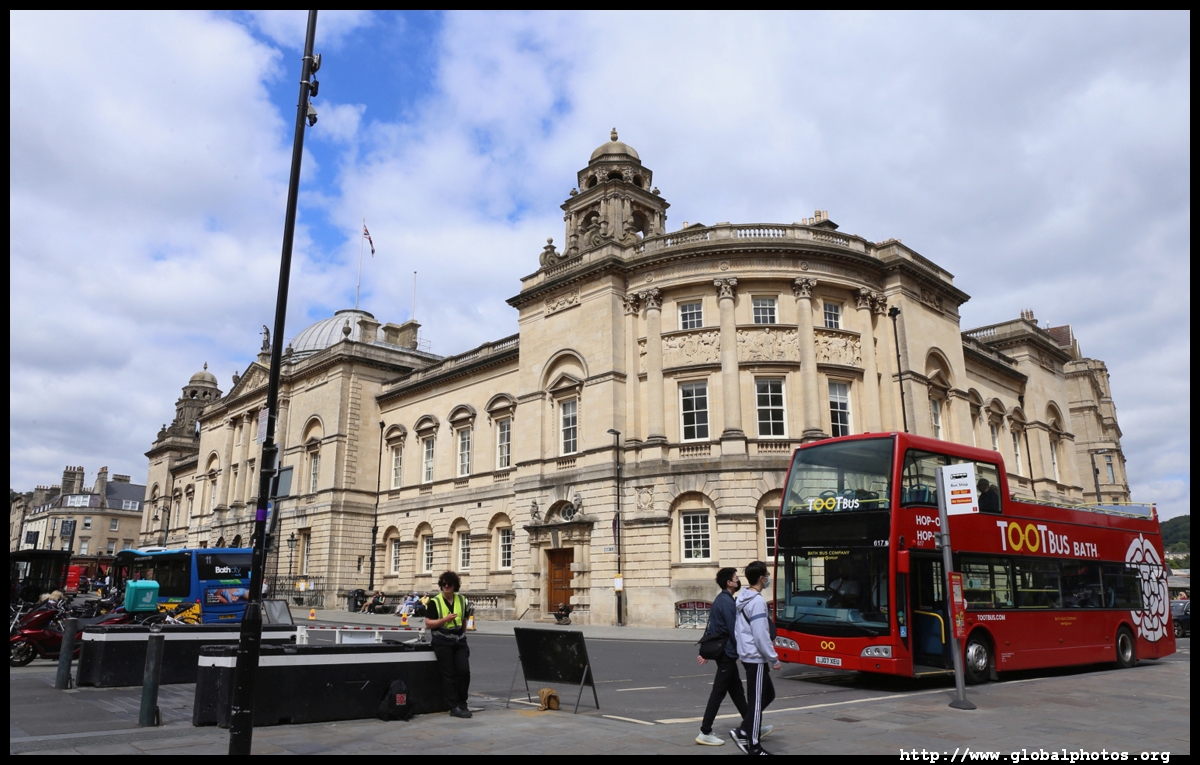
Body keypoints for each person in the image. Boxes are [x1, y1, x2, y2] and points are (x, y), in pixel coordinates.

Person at [696, 567, 764, 746]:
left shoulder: (722, 599)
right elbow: (735, 630)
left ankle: (752, 726)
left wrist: (704, 652)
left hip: (725, 652)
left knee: (737, 692)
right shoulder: (726, 602)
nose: (738, 580)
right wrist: (742, 652)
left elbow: (713, 628)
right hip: (726, 653)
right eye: (735, 578)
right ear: (729, 583)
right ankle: (705, 731)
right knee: (718, 692)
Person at [732, 560, 780, 755]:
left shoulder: (742, 598)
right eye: (767, 575)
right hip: (756, 657)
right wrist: (773, 658)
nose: (768, 578)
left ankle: (744, 729)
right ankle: (754, 746)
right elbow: (761, 635)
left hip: (748, 655)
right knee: (757, 702)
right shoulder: (758, 602)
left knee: (768, 694)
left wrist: (742, 652)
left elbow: (739, 630)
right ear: (761, 578)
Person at [426, 572, 473, 718]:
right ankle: (454, 706)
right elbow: (428, 623)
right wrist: (444, 620)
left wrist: (463, 636)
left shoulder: (462, 600)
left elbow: (464, 620)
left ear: (455, 586)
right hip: (442, 642)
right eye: (443, 584)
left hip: (459, 641)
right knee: (448, 674)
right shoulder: (435, 601)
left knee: (464, 671)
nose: (446, 586)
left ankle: (463, 702)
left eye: (449, 584)